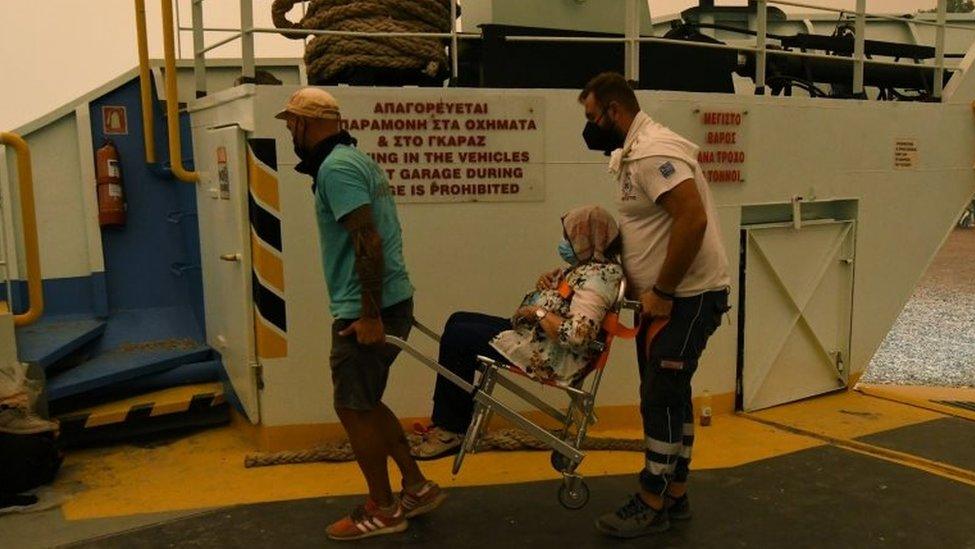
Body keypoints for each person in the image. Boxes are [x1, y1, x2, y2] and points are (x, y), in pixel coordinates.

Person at [277, 87, 444, 541]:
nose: (289, 130)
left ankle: (384, 508)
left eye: (291, 122)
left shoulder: (336, 168)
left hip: (368, 310)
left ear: (305, 124)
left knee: (352, 407)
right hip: (385, 303)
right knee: (366, 403)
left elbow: (367, 241)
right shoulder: (352, 159)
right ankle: (416, 487)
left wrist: (369, 315)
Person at [578, 72, 731, 539]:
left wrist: (662, 290)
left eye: (591, 117)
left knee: (660, 394)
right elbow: (657, 226)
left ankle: (651, 499)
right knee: (674, 392)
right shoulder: (634, 152)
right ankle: (676, 492)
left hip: (684, 299)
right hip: (672, 299)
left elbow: (692, 218)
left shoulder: (652, 153)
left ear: (614, 112)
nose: (588, 128)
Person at [412, 206, 624, 459]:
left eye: (569, 238)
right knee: (458, 321)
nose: (564, 244)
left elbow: (578, 334)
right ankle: (451, 418)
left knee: (459, 338)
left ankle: (451, 428)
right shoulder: (588, 268)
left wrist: (539, 312)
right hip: (538, 338)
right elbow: (569, 304)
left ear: (588, 238)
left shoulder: (598, 279)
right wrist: (551, 288)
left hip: (551, 354)